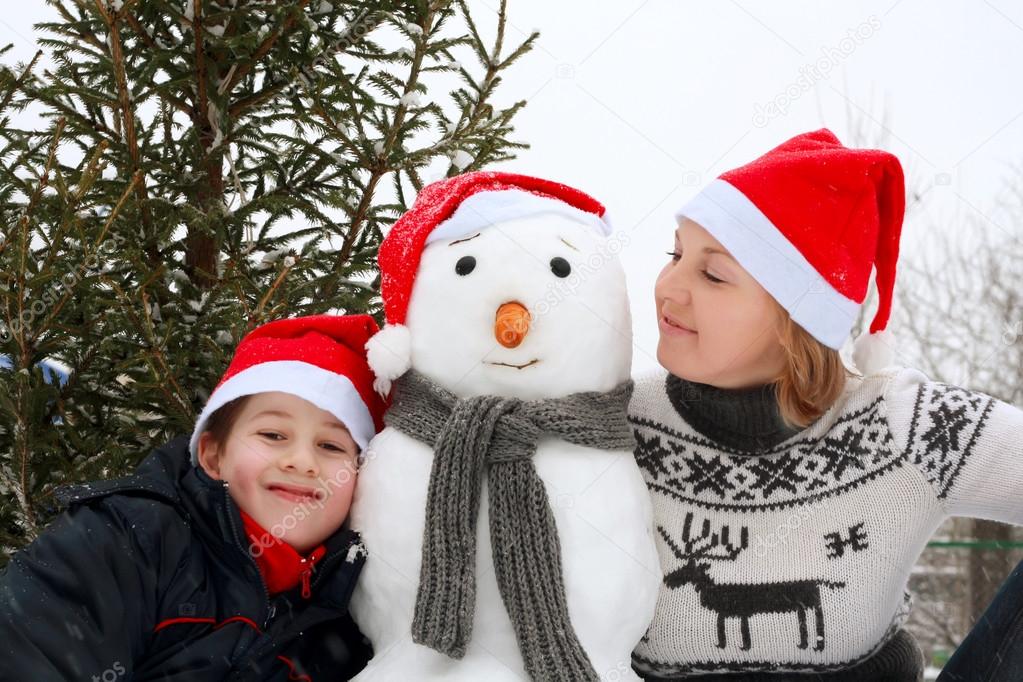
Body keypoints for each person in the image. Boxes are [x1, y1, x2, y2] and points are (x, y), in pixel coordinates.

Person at [629, 128, 1023, 680]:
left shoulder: (906, 425)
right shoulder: (617, 423)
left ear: (797, 321)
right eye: (675, 254)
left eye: (713, 273)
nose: (668, 286)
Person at [0, 314, 388, 681]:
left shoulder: (352, 614)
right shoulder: (127, 541)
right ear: (213, 456)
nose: (303, 462)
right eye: (273, 435)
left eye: (331, 446)